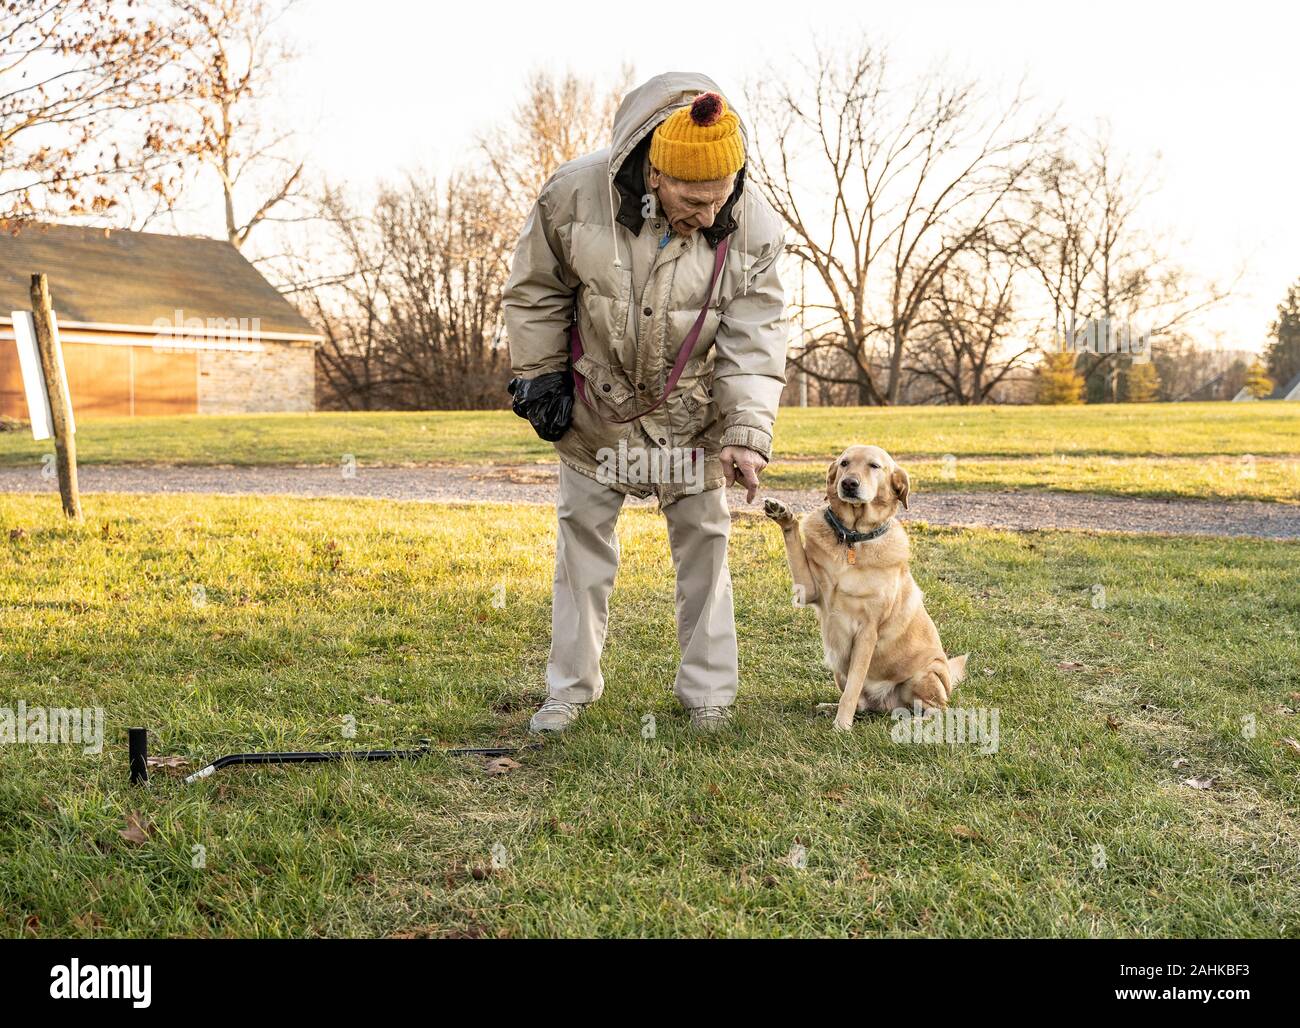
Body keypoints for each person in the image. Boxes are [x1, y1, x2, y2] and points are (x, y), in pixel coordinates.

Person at [504, 72, 786, 733]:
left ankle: (709, 698)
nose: (709, 215)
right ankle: (568, 694)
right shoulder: (573, 193)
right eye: (693, 198)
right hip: (596, 407)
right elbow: (536, 290)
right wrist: (540, 375)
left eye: (719, 198)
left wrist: (746, 432)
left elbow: (757, 335)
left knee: (705, 547)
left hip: (691, 417)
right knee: (581, 547)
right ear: (655, 174)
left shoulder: (753, 223)